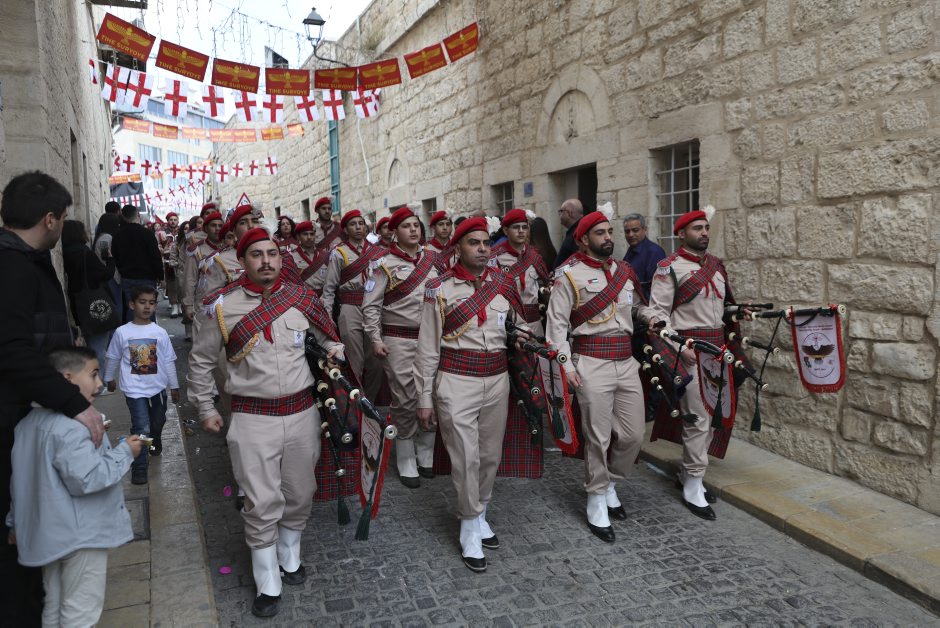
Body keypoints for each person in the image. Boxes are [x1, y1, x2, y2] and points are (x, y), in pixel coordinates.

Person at [189, 228, 344, 618]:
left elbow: (327, 337)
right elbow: (201, 361)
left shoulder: (302, 300)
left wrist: (334, 349)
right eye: (256, 254)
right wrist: (205, 407)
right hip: (252, 416)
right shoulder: (221, 307)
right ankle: (266, 578)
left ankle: (289, 553)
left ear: (280, 257)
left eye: (272, 253)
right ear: (242, 261)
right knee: (260, 500)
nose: (266, 261)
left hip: (302, 414)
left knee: (301, 491)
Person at [0, 172, 106, 625]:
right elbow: (13, 350)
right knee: (18, 556)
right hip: (12, 420)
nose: (62, 225)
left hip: (26, 416)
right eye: (62, 218)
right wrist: (74, 403)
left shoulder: (25, 260)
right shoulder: (13, 266)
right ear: (49, 219)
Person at [415, 217, 529, 573]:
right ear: (458, 248)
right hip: (456, 380)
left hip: (496, 379)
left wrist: (523, 335)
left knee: (490, 455)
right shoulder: (438, 289)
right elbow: (427, 348)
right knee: (466, 457)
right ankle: (468, 524)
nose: (482, 249)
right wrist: (424, 397)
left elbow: (519, 323)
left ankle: (480, 513)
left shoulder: (504, 284)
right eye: (473, 243)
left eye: (486, 243)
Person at [7, 347, 143, 628]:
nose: (99, 383)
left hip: (47, 534)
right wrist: (125, 453)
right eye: (93, 374)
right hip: (80, 536)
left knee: (54, 605)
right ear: (67, 379)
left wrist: (14, 522)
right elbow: (89, 479)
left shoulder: (27, 423)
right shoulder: (72, 426)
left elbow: (19, 480)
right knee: (80, 613)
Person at [545, 212, 654, 543]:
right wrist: (567, 366)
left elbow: (635, 307)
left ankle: (610, 482)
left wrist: (650, 316)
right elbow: (556, 327)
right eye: (600, 233)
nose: (608, 237)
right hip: (590, 361)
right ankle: (596, 496)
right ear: (583, 240)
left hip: (626, 361)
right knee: (598, 437)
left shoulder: (624, 272)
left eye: (609, 232)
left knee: (633, 435)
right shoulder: (568, 276)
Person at [648, 209, 751, 521]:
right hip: (690, 351)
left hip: (718, 352)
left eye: (706, 227)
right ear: (681, 234)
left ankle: (689, 473)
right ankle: (693, 482)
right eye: (697, 228)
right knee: (698, 419)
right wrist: (679, 347)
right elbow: (658, 315)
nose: (704, 232)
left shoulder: (716, 266)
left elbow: (720, 309)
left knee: (715, 416)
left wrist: (737, 311)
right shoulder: (669, 268)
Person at [362, 207, 439, 488]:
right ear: (395, 232)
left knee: (432, 392)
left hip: (431, 339)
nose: (413, 230)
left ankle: (426, 451)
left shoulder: (433, 260)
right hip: (398, 339)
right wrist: (375, 338)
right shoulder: (382, 264)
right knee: (405, 398)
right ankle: (405, 456)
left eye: (416, 225)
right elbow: (371, 306)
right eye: (406, 226)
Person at [104, 285, 180, 485]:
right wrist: (109, 378)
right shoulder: (122, 332)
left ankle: (155, 439)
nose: (147, 307)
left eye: (152, 303)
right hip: (134, 389)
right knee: (141, 426)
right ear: (132, 304)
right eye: (142, 302)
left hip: (158, 388)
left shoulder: (160, 332)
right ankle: (139, 467)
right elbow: (113, 357)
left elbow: (169, 361)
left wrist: (174, 386)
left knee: (157, 421)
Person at [321, 210, 385, 399]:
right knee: (355, 361)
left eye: (361, 223)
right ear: (346, 229)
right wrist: (328, 316)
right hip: (350, 308)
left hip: (375, 309)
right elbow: (329, 289)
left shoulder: (378, 252)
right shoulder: (339, 252)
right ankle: (357, 405)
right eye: (353, 224)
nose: (358, 227)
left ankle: (369, 401)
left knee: (376, 362)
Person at [62, 220, 115, 384]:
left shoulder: (66, 253)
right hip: (95, 303)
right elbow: (105, 274)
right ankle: (100, 382)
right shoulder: (85, 252)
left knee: (92, 345)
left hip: (79, 303)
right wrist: (110, 259)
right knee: (99, 347)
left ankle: (93, 380)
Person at [490, 209, 550, 336]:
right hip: (507, 324)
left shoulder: (535, 256)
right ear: (505, 230)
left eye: (524, 227)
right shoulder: (494, 257)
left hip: (534, 323)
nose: (521, 231)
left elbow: (545, 284)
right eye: (516, 227)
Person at [111, 204, 164, 323]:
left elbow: (115, 257)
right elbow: (155, 256)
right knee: (148, 309)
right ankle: (149, 333)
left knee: (132, 309)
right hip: (147, 278)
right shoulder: (147, 233)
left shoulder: (118, 235)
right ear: (138, 215)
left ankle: (132, 334)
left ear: (123, 217)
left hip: (128, 278)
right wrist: (160, 276)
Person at [622, 213, 666, 300]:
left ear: (644, 229)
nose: (631, 235)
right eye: (627, 231)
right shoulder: (631, 251)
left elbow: (657, 288)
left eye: (635, 230)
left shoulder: (655, 252)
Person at [159, 212, 182, 317]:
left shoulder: (182, 231)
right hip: (168, 261)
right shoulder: (162, 233)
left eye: (175, 219)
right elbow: (158, 246)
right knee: (171, 284)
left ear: (178, 221)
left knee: (181, 284)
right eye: (171, 219)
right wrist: (163, 249)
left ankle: (181, 305)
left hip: (181, 261)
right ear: (167, 221)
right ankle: (174, 306)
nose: (173, 221)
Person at [553, 199, 584, 269]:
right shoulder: (576, 229)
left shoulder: (579, 233)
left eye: (561, 211)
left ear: (569, 213)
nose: (559, 214)